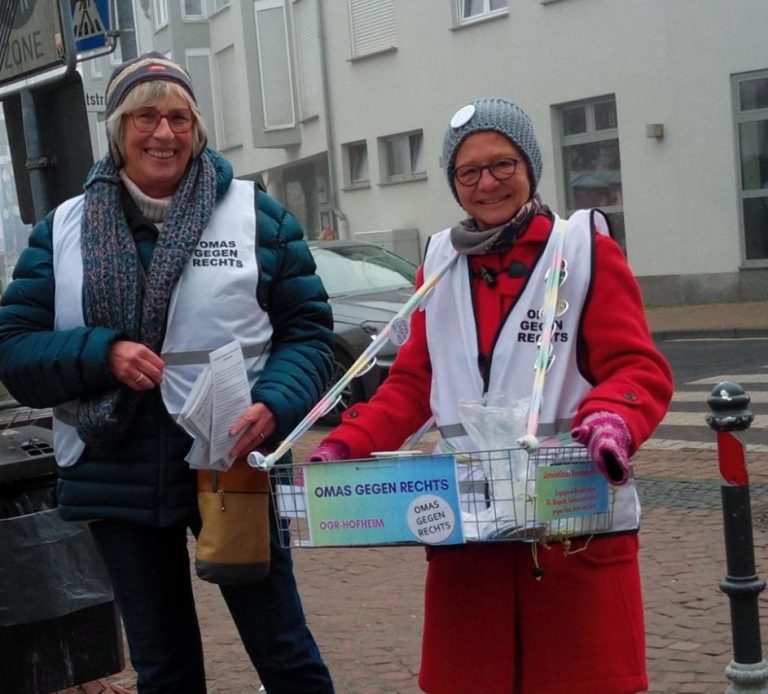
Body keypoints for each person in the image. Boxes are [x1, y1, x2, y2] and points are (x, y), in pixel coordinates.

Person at [309, 98, 673, 693]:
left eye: (503, 164)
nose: (487, 183)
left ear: (529, 166)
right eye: (468, 171)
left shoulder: (582, 250)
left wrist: (611, 419)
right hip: (470, 543)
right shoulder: (439, 263)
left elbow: (636, 367)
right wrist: (345, 445)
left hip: (571, 532)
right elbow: (412, 386)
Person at [0, 52, 335, 694]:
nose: (164, 133)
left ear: (197, 129)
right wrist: (101, 354)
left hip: (231, 461)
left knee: (284, 651)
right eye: (145, 117)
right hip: (114, 471)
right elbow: (14, 350)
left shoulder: (257, 216)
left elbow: (308, 333)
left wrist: (274, 403)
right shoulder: (62, 229)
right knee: (164, 670)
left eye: (180, 118)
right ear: (118, 130)